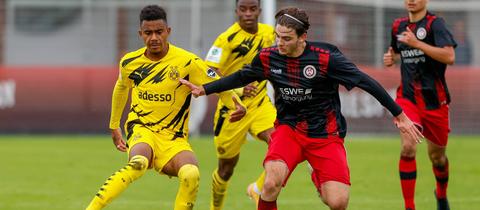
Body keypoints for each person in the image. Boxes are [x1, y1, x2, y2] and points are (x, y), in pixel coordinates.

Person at [181, 7, 423, 210]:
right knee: (270, 183)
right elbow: (242, 77)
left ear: (302, 36)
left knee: (337, 202)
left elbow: (366, 82)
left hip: (325, 135)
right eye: (277, 36)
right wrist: (205, 89)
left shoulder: (326, 58)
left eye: (286, 38)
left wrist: (399, 115)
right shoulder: (269, 57)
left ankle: (317, 174)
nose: (280, 43)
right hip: (290, 130)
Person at [85, 5, 245, 210]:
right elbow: (121, 88)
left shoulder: (188, 62)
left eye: (159, 32)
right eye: (148, 33)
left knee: (191, 173)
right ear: (140, 34)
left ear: (168, 31)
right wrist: (114, 125)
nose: (154, 37)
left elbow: (217, 84)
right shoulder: (130, 62)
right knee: (139, 163)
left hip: (173, 137)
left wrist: (235, 104)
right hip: (142, 129)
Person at [383, 1, 456, 210]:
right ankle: (409, 206)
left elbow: (450, 56)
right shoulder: (398, 26)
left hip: (435, 102)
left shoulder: (436, 24)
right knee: (407, 148)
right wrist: (392, 58)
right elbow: (399, 53)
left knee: (438, 158)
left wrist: (418, 44)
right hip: (407, 98)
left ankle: (441, 194)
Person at [203, 0, 276, 209]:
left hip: (260, 105)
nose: (248, 14)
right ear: (236, 11)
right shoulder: (226, 39)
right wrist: (238, 89)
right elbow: (208, 72)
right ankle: (215, 207)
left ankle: (257, 188)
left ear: (260, 11)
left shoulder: (269, 34)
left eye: (252, 9)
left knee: (282, 145)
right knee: (226, 169)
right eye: (243, 9)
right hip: (231, 110)